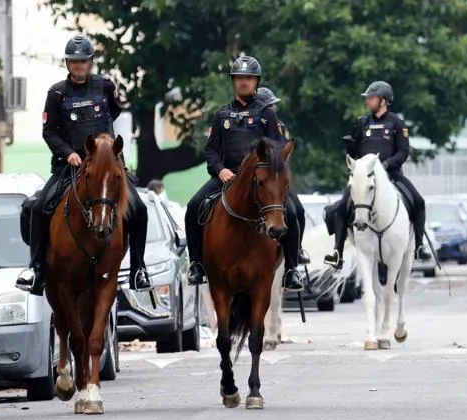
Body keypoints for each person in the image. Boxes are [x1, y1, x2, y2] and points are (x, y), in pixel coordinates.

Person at [16, 35, 152, 295]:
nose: (79, 66)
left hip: (106, 165)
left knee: (140, 210)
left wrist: (105, 151)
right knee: (39, 208)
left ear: (91, 62)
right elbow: (49, 132)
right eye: (74, 61)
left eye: (84, 61)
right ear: (68, 63)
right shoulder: (56, 93)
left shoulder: (105, 86)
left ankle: (138, 269)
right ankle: (35, 269)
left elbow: (113, 113)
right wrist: (69, 153)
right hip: (71, 165)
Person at [184, 56, 304, 291]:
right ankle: (196, 264)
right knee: (193, 206)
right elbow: (211, 152)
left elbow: (278, 149)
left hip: (262, 180)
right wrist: (220, 170)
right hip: (229, 178)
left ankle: (291, 269)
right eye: (239, 78)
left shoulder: (266, 113)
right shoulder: (221, 115)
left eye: (248, 78)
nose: (244, 82)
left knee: (294, 210)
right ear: (234, 82)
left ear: (256, 82)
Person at [323, 81, 432, 269]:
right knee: (342, 207)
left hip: (391, 175)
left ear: (383, 101)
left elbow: (403, 152)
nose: (367, 101)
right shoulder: (362, 122)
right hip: (365, 177)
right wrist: (350, 146)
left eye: (371, 98)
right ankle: (337, 252)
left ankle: (419, 246)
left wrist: (386, 164)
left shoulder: (397, 123)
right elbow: (356, 152)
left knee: (418, 202)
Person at [255, 86, 310, 265]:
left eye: (273, 106)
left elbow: (284, 152)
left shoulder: (281, 127)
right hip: (256, 178)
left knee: (297, 211)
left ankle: (295, 255)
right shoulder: (250, 125)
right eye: (270, 106)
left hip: (277, 180)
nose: (274, 109)